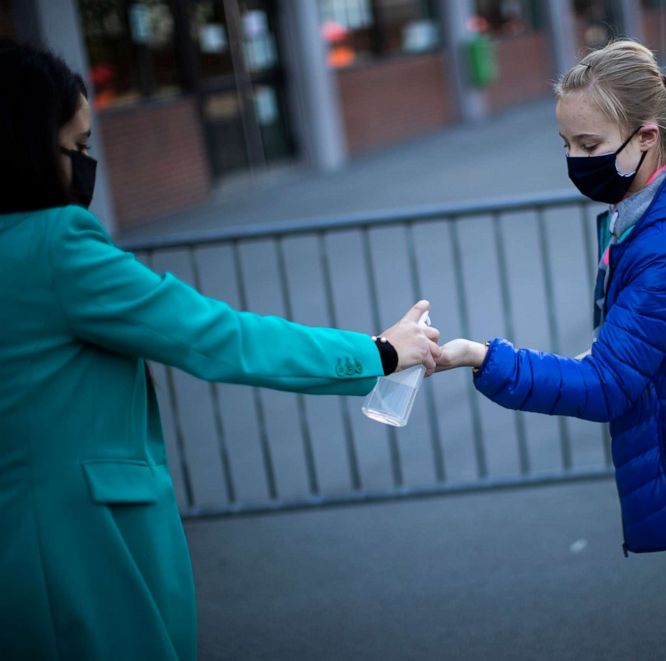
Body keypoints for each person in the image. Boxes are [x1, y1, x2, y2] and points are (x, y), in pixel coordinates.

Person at [0, 39, 441, 660]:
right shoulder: (54, 245)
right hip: (75, 546)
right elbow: (216, 336)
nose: (84, 165)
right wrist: (379, 352)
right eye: (74, 148)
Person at [438, 40, 666, 660]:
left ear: (645, 138)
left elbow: (607, 384)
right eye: (565, 144)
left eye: (588, 146)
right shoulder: (644, 211)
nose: (574, 160)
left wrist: (482, 357)